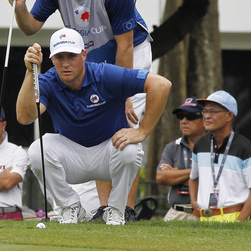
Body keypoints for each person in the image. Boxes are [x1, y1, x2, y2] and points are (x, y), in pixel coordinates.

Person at [7, 0, 152, 222]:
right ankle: (102, 208)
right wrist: (20, 7)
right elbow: (31, 26)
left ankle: (125, 208)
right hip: (87, 52)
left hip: (130, 52)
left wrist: (122, 95)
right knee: (98, 123)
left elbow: (124, 45)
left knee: (122, 129)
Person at [16, 28, 171, 224]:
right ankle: (70, 206)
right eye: (59, 57)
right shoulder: (48, 80)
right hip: (72, 157)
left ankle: (116, 210)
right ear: (52, 59)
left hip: (108, 154)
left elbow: (161, 85)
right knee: (37, 150)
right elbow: (24, 117)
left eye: (71, 56)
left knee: (131, 149)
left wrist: (142, 131)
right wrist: (31, 73)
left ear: (83, 55)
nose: (65, 64)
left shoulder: (105, 74)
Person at [189, 90, 251, 222]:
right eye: (205, 111)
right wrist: (194, 203)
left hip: (233, 217)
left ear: (229, 116)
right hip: (203, 217)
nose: (206, 116)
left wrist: (239, 223)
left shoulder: (245, 147)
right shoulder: (200, 144)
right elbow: (193, 178)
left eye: (212, 112)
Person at [156, 97, 206, 221]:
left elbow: (212, 183)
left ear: (204, 119)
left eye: (190, 116)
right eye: (181, 116)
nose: (184, 121)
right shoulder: (172, 147)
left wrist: (175, 172)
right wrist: (194, 173)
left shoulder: (213, 146)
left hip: (204, 212)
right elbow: (161, 177)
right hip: (175, 211)